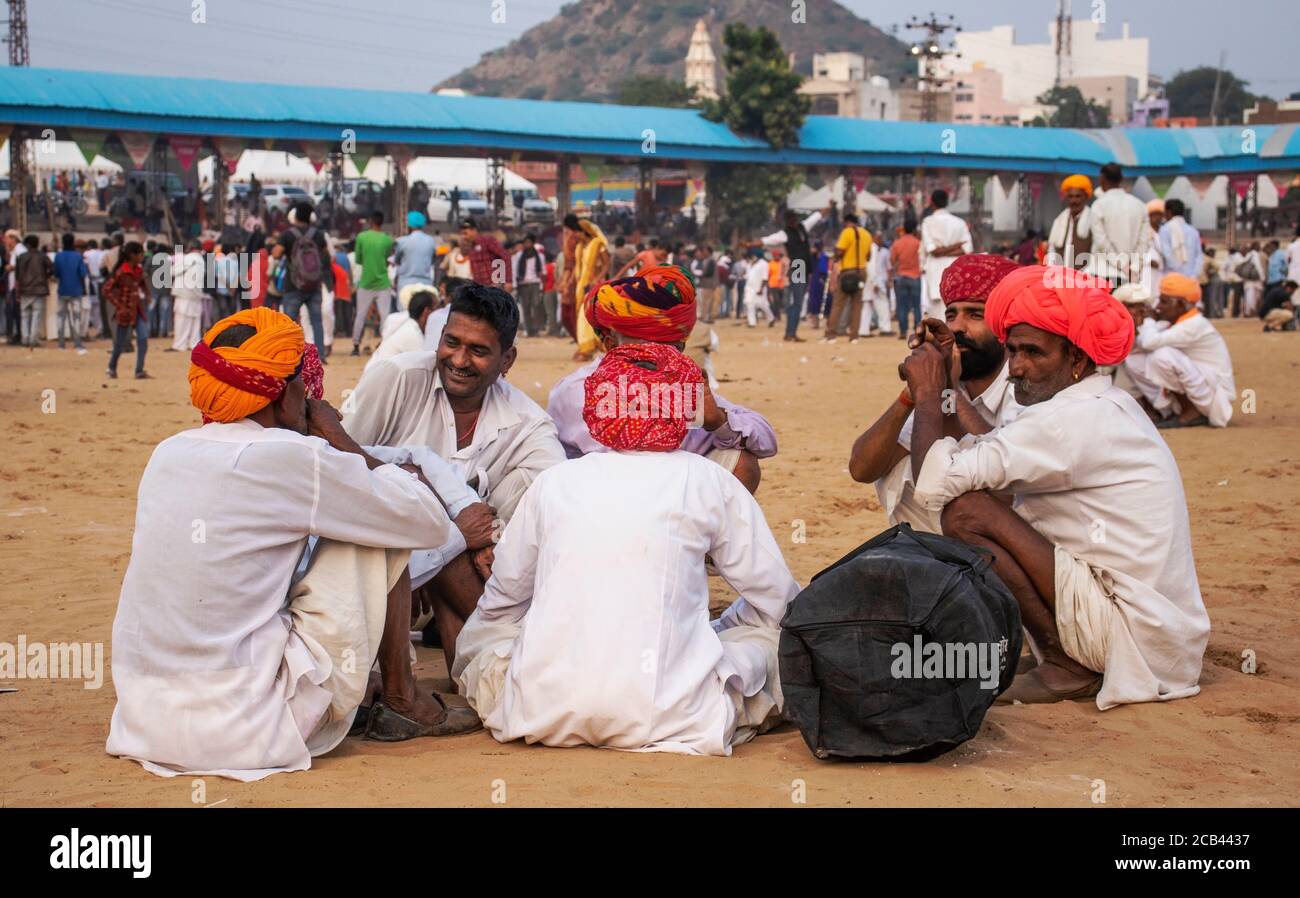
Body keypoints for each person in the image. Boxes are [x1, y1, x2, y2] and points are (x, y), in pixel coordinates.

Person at [106, 309, 479, 781]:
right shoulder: (291, 455)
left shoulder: (169, 452)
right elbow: (425, 522)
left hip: (144, 724)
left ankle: (379, 687)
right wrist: (338, 437)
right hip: (250, 729)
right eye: (302, 385)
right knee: (378, 531)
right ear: (285, 395)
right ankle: (406, 701)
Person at [454, 341, 799, 755]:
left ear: (599, 405)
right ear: (683, 406)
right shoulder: (710, 480)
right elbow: (778, 598)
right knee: (782, 641)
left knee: (487, 634)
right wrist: (725, 628)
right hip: (676, 714)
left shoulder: (556, 482)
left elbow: (505, 598)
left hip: (540, 711)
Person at [902, 265, 1210, 707]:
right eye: (1013, 351)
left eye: (1033, 353)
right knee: (983, 501)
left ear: (1077, 360)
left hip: (1132, 636)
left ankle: (1069, 664)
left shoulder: (1069, 420)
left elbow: (933, 483)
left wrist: (928, 392)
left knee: (967, 512)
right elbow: (990, 451)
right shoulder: (1099, 401)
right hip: (1158, 638)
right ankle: (1065, 654)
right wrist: (949, 382)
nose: (1017, 367)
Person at [343, 284, 566, 660]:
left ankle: (475, 652)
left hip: (471, 579)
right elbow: (341, 467)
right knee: (415, 483)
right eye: (452, 342)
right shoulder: (396, 379)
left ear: (507, 359)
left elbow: (559, 503)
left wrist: (487, 537)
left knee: (528, 490)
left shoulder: (528, 423)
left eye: (478, 351)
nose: (459, 360)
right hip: (377, 568)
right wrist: (423, 548)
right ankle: (498, 659)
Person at [549, 265, 777, 494]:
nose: (661, 357)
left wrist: (718, 421)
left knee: (742, 463)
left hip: (679, 505)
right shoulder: (574, 392)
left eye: (672, 348)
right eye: (646, 348)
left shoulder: (683, 381)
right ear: (610, 344)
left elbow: (766, 440)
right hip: (604, 502)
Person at [850, 253, 1022, 534]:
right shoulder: (942, 384)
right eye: (951, 315)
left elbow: (1008, 487)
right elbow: (862, 468)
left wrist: (949, 391)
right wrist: (914, 391)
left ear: (1005, 326)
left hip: (1017, 544)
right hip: (952, 546)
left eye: (975, 315)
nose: (957, 327)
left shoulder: (1025, 384)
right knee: (902, 463)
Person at [1126, 273, 1236, 429]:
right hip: (1202, 386)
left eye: (1164, 302)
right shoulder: (1177, 322)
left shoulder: (1194, 325)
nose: (1158, 307)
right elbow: (1140, 344)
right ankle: (1169, 411)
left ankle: (1191, 412)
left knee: (1161, 355)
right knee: (1134, 359)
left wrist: (1149, 319)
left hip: (1216, 395)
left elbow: (1149, 342)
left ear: (1181, 305)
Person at [278, 202, 333, 363]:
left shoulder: (287, 234)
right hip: (314, 284)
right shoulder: (318, 234)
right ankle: (320, 356)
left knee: (288, 322)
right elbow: (326, 256)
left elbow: (276, 254)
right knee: (317, 321)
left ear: (295, 216)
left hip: (293, 285)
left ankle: (286, 355)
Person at [762, 207, 824, 342]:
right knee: (797, 301)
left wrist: (828, 208)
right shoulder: (785, 234)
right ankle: (790, 332)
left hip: (804, 266)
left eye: (795, 218)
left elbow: (816, 216)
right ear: (787, 221)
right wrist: (750, 244)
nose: (794, 220)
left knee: (797, 301)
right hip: (798, 266)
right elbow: (768, 240)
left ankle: (791, 332)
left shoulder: (803, 227)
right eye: (791, 219)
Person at [1090, 163, 1153, 285]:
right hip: (1130, 276)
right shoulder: (1139, 205)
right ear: (1121, 180)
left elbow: (1102, 243)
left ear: (1102, 179)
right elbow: (1143, 243)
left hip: (1103, 274)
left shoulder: (1098, 206)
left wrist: (1123, 266)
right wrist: (1133, 268)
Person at [918, 189, 972, 320]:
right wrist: (955, 246)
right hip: (956, 270)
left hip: (935, 272)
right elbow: (966, 249)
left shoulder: (928, 222)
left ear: (931, 202)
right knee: (955, 309)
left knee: (937, 314)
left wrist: (941, 250)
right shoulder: (959, 222)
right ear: (947, 202)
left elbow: (933, 250)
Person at [103, 241, 151, 379]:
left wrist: (147, 294)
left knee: (143, 339)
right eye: (140, 253)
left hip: (137, 310)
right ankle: (111, 368)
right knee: (119, 343)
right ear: (132, 255)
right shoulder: (122, 272)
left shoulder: (138, 270)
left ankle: (139, 370)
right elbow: (107, 290)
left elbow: (142, 283)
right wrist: (119, 304)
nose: (142, 256)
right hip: (125, 311)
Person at [822, 213, 873, 343]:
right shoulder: (867, 234)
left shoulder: (847, 232)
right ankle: (854, 336)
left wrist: (836, 256)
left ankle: (831, 334)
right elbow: (868, 256)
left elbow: (839, 251)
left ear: (847, 222)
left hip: (847, 272)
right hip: (861, 272)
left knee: (838, 304)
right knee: (857, 304)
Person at [352, 211, 394, 355]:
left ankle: (356, 346)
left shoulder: (362, 237)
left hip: (365, 282)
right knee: (385, 316)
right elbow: (388, 256)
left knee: (360, 315)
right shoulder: (387, 240)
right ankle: (385, 344)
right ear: (382, 222)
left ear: (370, 221)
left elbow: (358, 259)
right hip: (383, 282)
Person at [366, 286, 435, 371]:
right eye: (437, 309)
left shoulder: (408, 324)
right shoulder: (412, 333)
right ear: (426, 311)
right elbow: (429, 366)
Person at [573, 218, 610, 360]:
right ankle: (587, 347)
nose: (575, 235)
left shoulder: (597, 244)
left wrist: (596, 280)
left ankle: (588, 348)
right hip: (582, 285)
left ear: (585, 231)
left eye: (577, 232)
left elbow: (607, 263)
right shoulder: (581, 247)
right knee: (583, 315)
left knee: (587, 315)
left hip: (594, 284)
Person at [1047, 174, 1094, 271]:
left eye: (1078, 196)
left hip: (1084, 277)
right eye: (1070, 196)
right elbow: (1051, 251)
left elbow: (1096, 252)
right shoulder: (1059, 220)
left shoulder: (1093, 220)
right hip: (1060, 277)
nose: (1074, 200)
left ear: (1086, 197)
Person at [53, 232, 89, 353]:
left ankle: (61, 344)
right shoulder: (78, 256)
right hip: (76, 290)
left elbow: (56, 273)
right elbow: (83, 273)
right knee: (77, 317)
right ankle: (78, 343)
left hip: (62, 289)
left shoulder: (58, 256)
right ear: (73, 242)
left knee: (61, 317)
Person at [15, 234, 53, 348]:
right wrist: (46, 276)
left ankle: (25, 339)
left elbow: (17, 275)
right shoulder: (42, 256)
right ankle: (33, 339)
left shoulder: (21, 257)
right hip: (39, 289)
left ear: (27, 245)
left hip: (25, 289)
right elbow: (52, 268)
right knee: (37, 315)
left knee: (25, 315)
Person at [169, 241, 205, 353]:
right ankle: (193, 344)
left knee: (181, 321)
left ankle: (179, 344)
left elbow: (172, 271)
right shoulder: (201, 261)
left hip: (184, 293)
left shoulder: (188, 258)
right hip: (196, 294)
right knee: (195, 322)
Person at [889, 220, 923, 339]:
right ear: (914, 230)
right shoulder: (918, 243)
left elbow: (892, 261)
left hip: (901, 276)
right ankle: (918, 331)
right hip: (915, 276)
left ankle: (903, 332)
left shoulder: (897, 243)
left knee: (902, 305)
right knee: (916, 305)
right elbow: (923, 259)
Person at [458, 218, 512, 291]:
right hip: (480, 288)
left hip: (494, 286)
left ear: (474, 230)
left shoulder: (487, 241)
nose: (464, 236)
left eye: (465, 233)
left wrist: (508, 281)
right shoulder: (469, 247)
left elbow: (506, 256)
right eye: (462, 234)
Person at [1156, 198, 1202, 279]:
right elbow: (1199, 257)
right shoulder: (1193, 231)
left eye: (1165, 212)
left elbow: (1167, 255)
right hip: (1191, 279)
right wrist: (1194, 275)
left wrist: (1178, 273)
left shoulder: (1165, 229)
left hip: (1172, 279)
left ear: (1168, 212)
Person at [394, 210, 438, 293]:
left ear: (409, 225)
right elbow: (433, 260)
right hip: (425, 283)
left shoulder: (402, 241)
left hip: (405, 283)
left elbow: (397, 261)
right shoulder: (431, 241)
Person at [512, 233, 546, 337]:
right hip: (523, 284)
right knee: (525, 308)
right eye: (525, 242)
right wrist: (514, 284)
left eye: (528, 242)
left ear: (532, 243)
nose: (527, 244)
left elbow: (543, 271)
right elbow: (514, 271)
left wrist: (541, 285)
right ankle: (528, 329)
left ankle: (536, 330)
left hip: (535, 283)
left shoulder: (540, 256)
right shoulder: (518, 256)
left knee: (536, 306)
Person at [742, 246, 772, 328]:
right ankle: (752, 323)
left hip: (759, 288)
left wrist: (761, 289)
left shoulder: (764, 264)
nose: (752, 257)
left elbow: (765, 278)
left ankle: (771, 318)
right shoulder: (749, 264)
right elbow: (748, 275)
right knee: (749, 304)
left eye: (753, 255)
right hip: (749, 288)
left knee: (762, 305)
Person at [690, 244, 719, 324]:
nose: (703, 252)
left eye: (705, 251)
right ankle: (705, 316)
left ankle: (706, 317)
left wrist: (698, 274)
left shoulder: (711, 260)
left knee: (708, 302)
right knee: (705, 302)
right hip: (705, 284)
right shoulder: (706, 260)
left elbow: (709, 273)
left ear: (709, 252)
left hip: (709, 284)